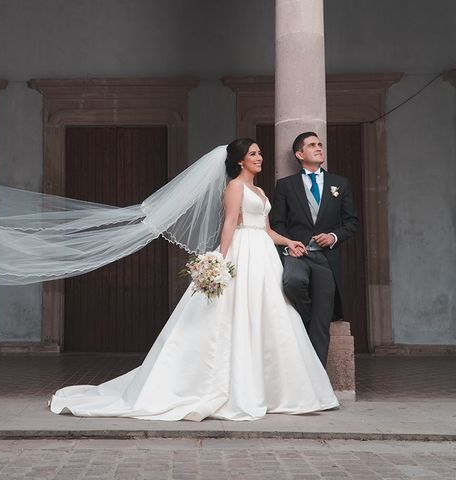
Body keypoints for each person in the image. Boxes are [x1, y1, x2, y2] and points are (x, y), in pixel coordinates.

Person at [49, 138, 339, 421]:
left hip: (263, 256)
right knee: (234, 315)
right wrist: (221, 261)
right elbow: (228, 223)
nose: (259, 157)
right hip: (242, 253)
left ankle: (275, 390)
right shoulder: (235, 187)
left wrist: (288, 241)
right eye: (253, 154)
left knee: (272, 314)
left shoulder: (260, 191)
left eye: (260, 153)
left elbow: (265, 229)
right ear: (240, 160)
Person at [271, 132, 359, 366]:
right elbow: (277, 223)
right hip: (297, 255)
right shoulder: (285, 186)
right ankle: (307, 317)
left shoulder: (340, 184)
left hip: (327, 259)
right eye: (312, 145)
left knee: (322, 325)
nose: (319, 148)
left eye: (320, 144)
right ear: (300, 154)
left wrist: (333, 236)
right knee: (292, 282)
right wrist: (290, 245)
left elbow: (351, 222)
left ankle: (317, 382)